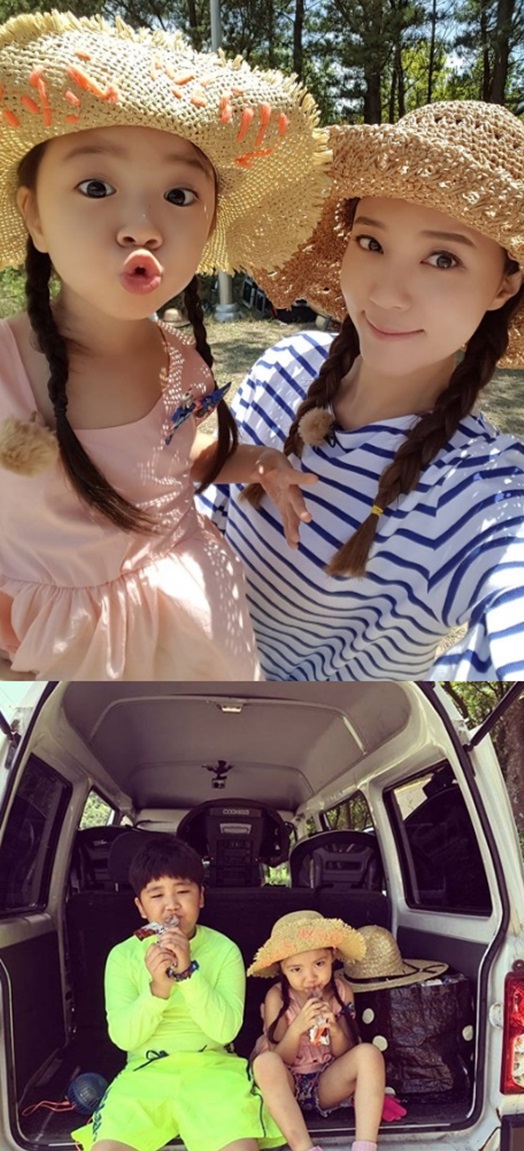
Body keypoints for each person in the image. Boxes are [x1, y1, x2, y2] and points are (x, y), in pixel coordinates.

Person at [0, 11, 328, 680]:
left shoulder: (183, 362)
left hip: (195, 623)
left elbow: (177, 462)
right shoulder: (6, 364)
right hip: (54, 648)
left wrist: (261, 464)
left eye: (179, 194)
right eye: (96, 187)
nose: (142, 227)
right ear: (35, 215)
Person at [201, 101, 524, 680]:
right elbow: (202, 511)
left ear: (504, 286)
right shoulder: (284, 368)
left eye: (442, 259)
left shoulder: (478, 491)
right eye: (371, 242)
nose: (386, 294)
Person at [72, 836, 286, 1151]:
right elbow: (124, 1037)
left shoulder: (223, 951)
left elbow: (224, 1031)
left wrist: (188, 974)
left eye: (183, 892)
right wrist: (157, 990)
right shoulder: (123, 957)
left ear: (201, 897)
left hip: (213, 1068)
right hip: (144, 1071)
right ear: (141, 907)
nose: (171, 905)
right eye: (157, 895)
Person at [247, 911, 405, 1151]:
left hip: (326, 1082)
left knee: (369, 1054)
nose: (310, 977)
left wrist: (334, 1029)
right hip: (288, 1084)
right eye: (296, 969)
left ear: (333, 957)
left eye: (319, 964)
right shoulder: (277, 997)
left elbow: (347, 1052)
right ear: (282, 969)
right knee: (265, 1063)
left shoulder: (342, 991)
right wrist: (298, 1026)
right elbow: (280, 1057)